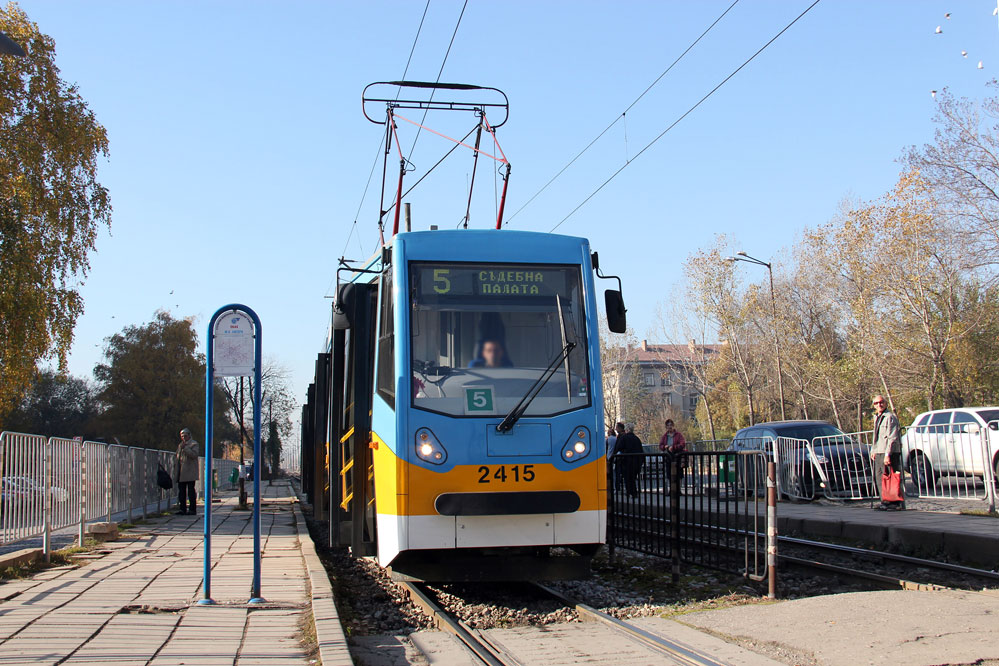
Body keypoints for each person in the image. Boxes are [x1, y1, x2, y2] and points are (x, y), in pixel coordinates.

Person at [870, 395, 905, 511]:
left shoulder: (890, 417)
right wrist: (873, 450)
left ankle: (894, 503)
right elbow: (876, 437)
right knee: (879, 478)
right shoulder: (877, 417)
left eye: (881, 402)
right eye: (876, 403)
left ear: (885, 403)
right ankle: (884, 501)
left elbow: (892, 437)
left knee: (891, 478)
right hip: (879, 451)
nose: (879, 405)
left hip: (888, 452)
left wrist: (887, 454)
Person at [614, 422, 644, 498]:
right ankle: (634, 492)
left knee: (627, 478)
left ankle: (629, 492)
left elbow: (618, 448)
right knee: (633, 477)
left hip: (627, 461)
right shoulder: (637, 439)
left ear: (626, 429)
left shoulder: (624, 438)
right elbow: (641, 450)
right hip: (636, 461)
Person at [176, 428, 199, 515]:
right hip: (181, 472)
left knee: (190, 491)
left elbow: (194, 455)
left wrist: (185, 448)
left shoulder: (194, 444)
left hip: (190, 472)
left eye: (185, 436)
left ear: (189, 435)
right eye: (182, 436)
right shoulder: (180, 445)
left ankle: (192, 509)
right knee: (181, 491)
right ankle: (182, 509)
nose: (183, 438)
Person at [659, 419, 688, 490]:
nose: (669, 427)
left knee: (679, 473)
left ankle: (679, 489)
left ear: (673, 425)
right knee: (669, 473)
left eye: (671, 425)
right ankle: (671, 489)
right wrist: (664, 447)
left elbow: (682, 444)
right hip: (668, 456)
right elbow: (660, 445)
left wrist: (674, 447)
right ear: (666, 427)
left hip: (677, 455)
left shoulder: (678, 435)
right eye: (668, 425)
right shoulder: (665, 436)